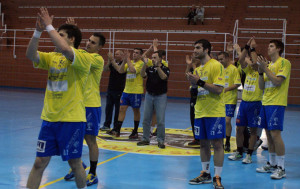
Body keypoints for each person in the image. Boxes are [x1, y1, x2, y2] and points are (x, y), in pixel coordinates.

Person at [26, 8, 98, 189]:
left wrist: (49, 25)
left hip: (71, 120)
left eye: (61, 34)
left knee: (75, 163)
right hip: (49, 120)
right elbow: (30, 55)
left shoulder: (83, 58)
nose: (55, 37)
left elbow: (66, 49)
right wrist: (38, 31)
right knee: (39, 162)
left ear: (72, 39)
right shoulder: (52, 57)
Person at [187, 39, 225, 189]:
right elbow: (197, 88)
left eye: (198, 48)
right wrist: (193, 83)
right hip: (200, 111)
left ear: (207, 50)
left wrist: (200, 82)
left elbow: (218, 89)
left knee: (217, 144)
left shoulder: (216, 65)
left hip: (214, 112)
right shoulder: (198, 69)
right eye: (194, 47)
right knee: (203, 144)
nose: (195, 50)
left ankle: (217, 177)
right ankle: (205, 173)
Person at [256, 40, 291, 179]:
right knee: (268, 135)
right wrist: (260, 72)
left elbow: (277, 82)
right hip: (266, 102)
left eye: (271, 46)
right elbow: (262, 87)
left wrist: (265, 69)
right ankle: (272, 163)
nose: (268, 48)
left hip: (277, 103)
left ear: (278, 49)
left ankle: (281, 168)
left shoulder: (284, 63)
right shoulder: (268, 65)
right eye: (268, 46)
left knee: (275, 134)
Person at [228, 37, 263, 164]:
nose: (251, 62)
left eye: (253, 60)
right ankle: (238, 151)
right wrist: (246, 47)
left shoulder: (262, 72)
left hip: (255, 104)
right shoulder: (248, 71)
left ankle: (249, 154)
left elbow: (254, 61)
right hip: (243, 103)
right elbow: (242, 59)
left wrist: (253, 49)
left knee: (253, 131)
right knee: (239, 129)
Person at [108, 48, 144, 139]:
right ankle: (117, 130)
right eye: (134, 52)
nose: (134, 54)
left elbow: (132, 70)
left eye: (137, 53)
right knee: (122, 109)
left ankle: (135, 131)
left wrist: (127, 59)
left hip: (136, 91)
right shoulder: (129, 61)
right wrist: (124, 61)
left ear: (140, 55)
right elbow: (120, 71)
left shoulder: (141, 64)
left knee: (136, 111)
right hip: (126, 91)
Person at [137, 51, 170, 148]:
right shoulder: (149, 68)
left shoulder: (165, 68)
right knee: (146, 119)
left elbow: (164, 77)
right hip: (149, 95)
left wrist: (158, 67)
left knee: (160, 120)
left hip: (161, 96)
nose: (153, 59)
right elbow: (142, 75)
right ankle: (145, 139)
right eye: (152, 57)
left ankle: (160, 140)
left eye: (155, 57)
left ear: (160, 59)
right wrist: (144, 64)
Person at [217, 52, 241, 152]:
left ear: (227, 58)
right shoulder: (218, 69)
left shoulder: (233, 69)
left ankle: (227, 142)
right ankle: (220, 141)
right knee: (220, 121)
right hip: (219, 99)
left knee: (227, 121)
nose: (220, 61)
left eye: (222, 59)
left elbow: (237, 83)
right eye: (219, 59)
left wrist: (225, 89)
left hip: (230, 99)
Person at [100, 50, 126, 132]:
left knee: (118, 109)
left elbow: (119, 70)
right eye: (115, 54)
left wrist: (112, 61)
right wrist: (109, 61)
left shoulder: (124, 64)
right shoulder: (112, 62)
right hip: (110, 88)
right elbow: (105, 69)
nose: (115, 55)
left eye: (117, 54)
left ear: (122, 55)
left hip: (119, 89)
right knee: (108, 107)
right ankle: (107, 124)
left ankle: (116, 126)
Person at [185, 54, 201, 146]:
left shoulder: (203, 68)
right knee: (193, 117)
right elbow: (187, 76)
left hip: (202, 95)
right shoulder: (192, 68)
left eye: (196, 57)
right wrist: (189, 65)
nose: (194, 58)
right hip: (194, 95)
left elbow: (199, 78)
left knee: (201, 117)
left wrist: (194, 66)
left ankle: (205, 138)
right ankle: (196, 138)